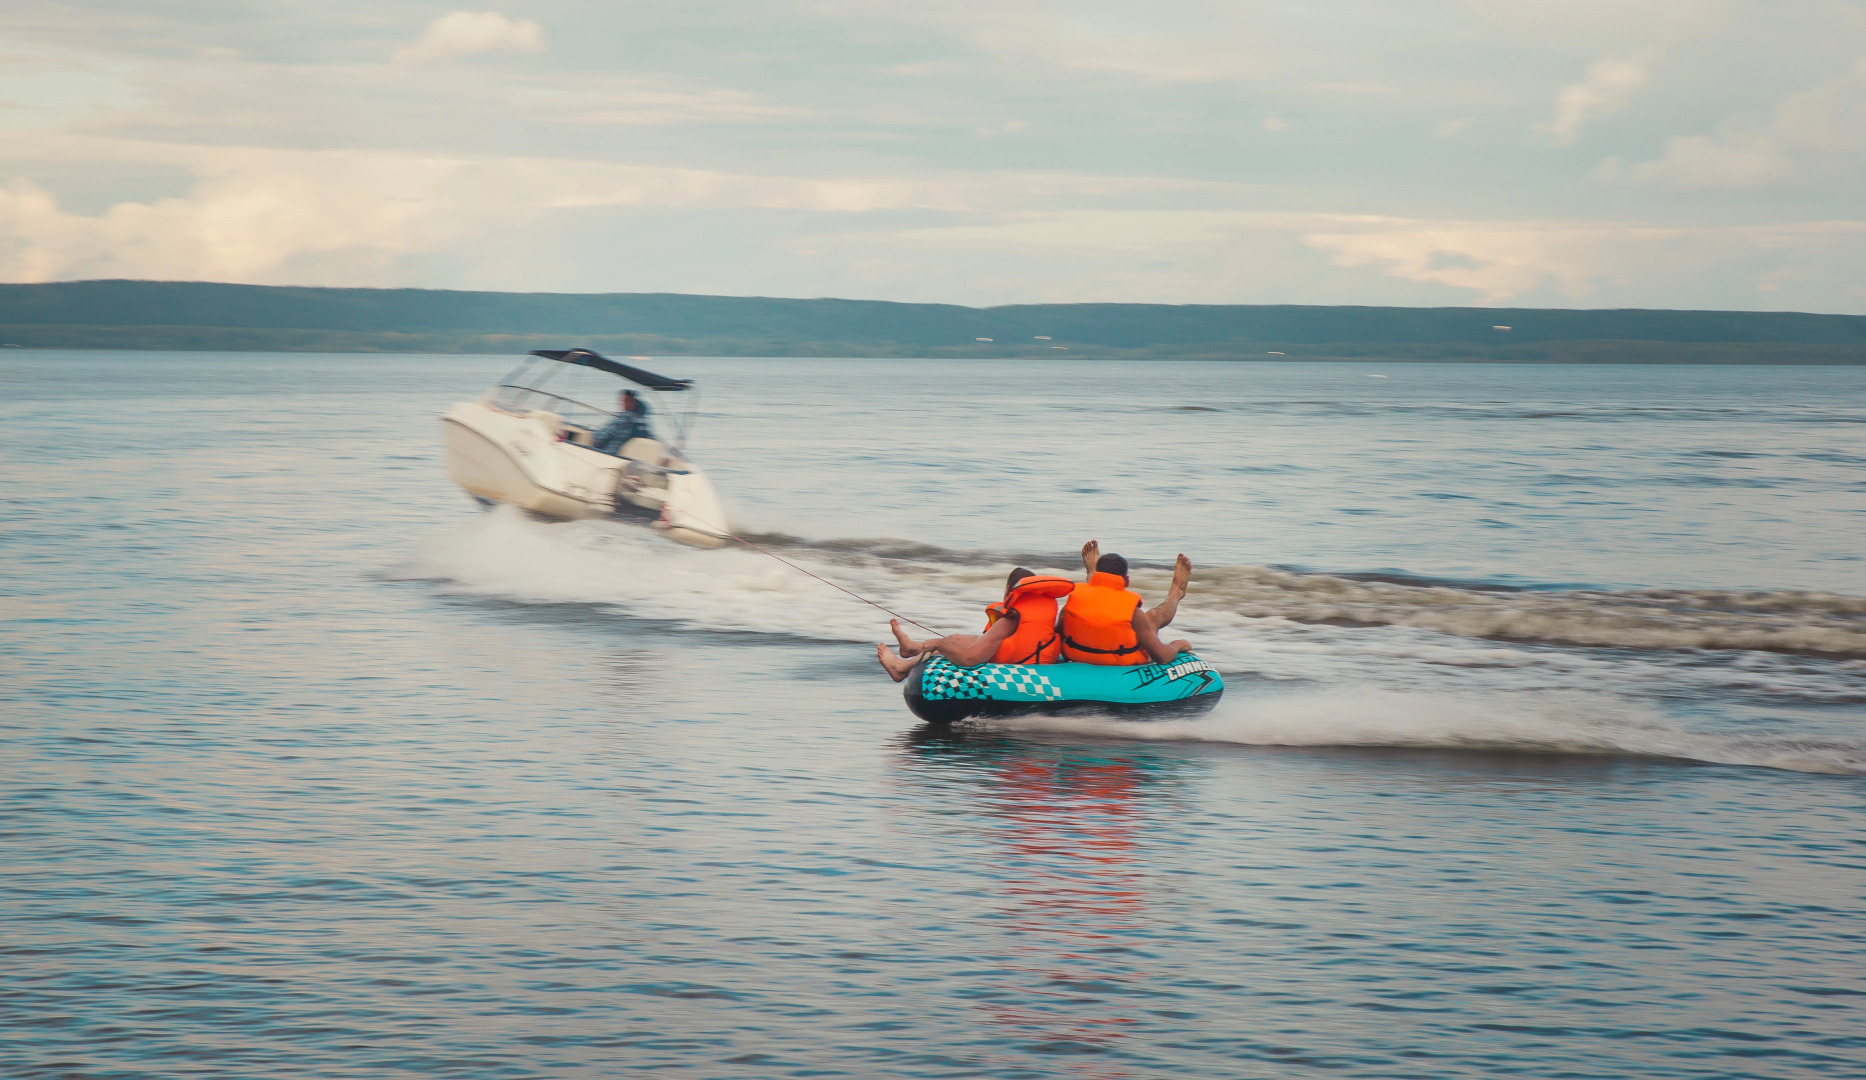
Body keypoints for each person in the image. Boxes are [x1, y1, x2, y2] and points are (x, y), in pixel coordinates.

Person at [876, 567, 1075, 682]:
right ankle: (904, 662)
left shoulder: (1009, 620)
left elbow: (969, 658)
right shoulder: (1049, 617)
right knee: (968, 640)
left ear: (1010, 591)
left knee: (953, 641)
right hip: (1038, 666)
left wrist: (938, 644)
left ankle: (912, 649)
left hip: (1008, 665)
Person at [1059, 540, 1192, 666]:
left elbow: (1057, 635)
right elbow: (1162, 656)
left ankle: (1093, 576)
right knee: (1153, 616)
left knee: (1089, 605)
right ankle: (1176, 592)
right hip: (1119, 663)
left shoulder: (1073, 599)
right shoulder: (1134, 613)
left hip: (1078, 655)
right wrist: (1178, 644)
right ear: (1126, 581)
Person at [592, 389, 652, 454]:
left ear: (633, 403)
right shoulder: (643, 422)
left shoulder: (623, 420)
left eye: (625, 401)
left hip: (612, 453)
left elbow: (601, 438)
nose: (622, 404)